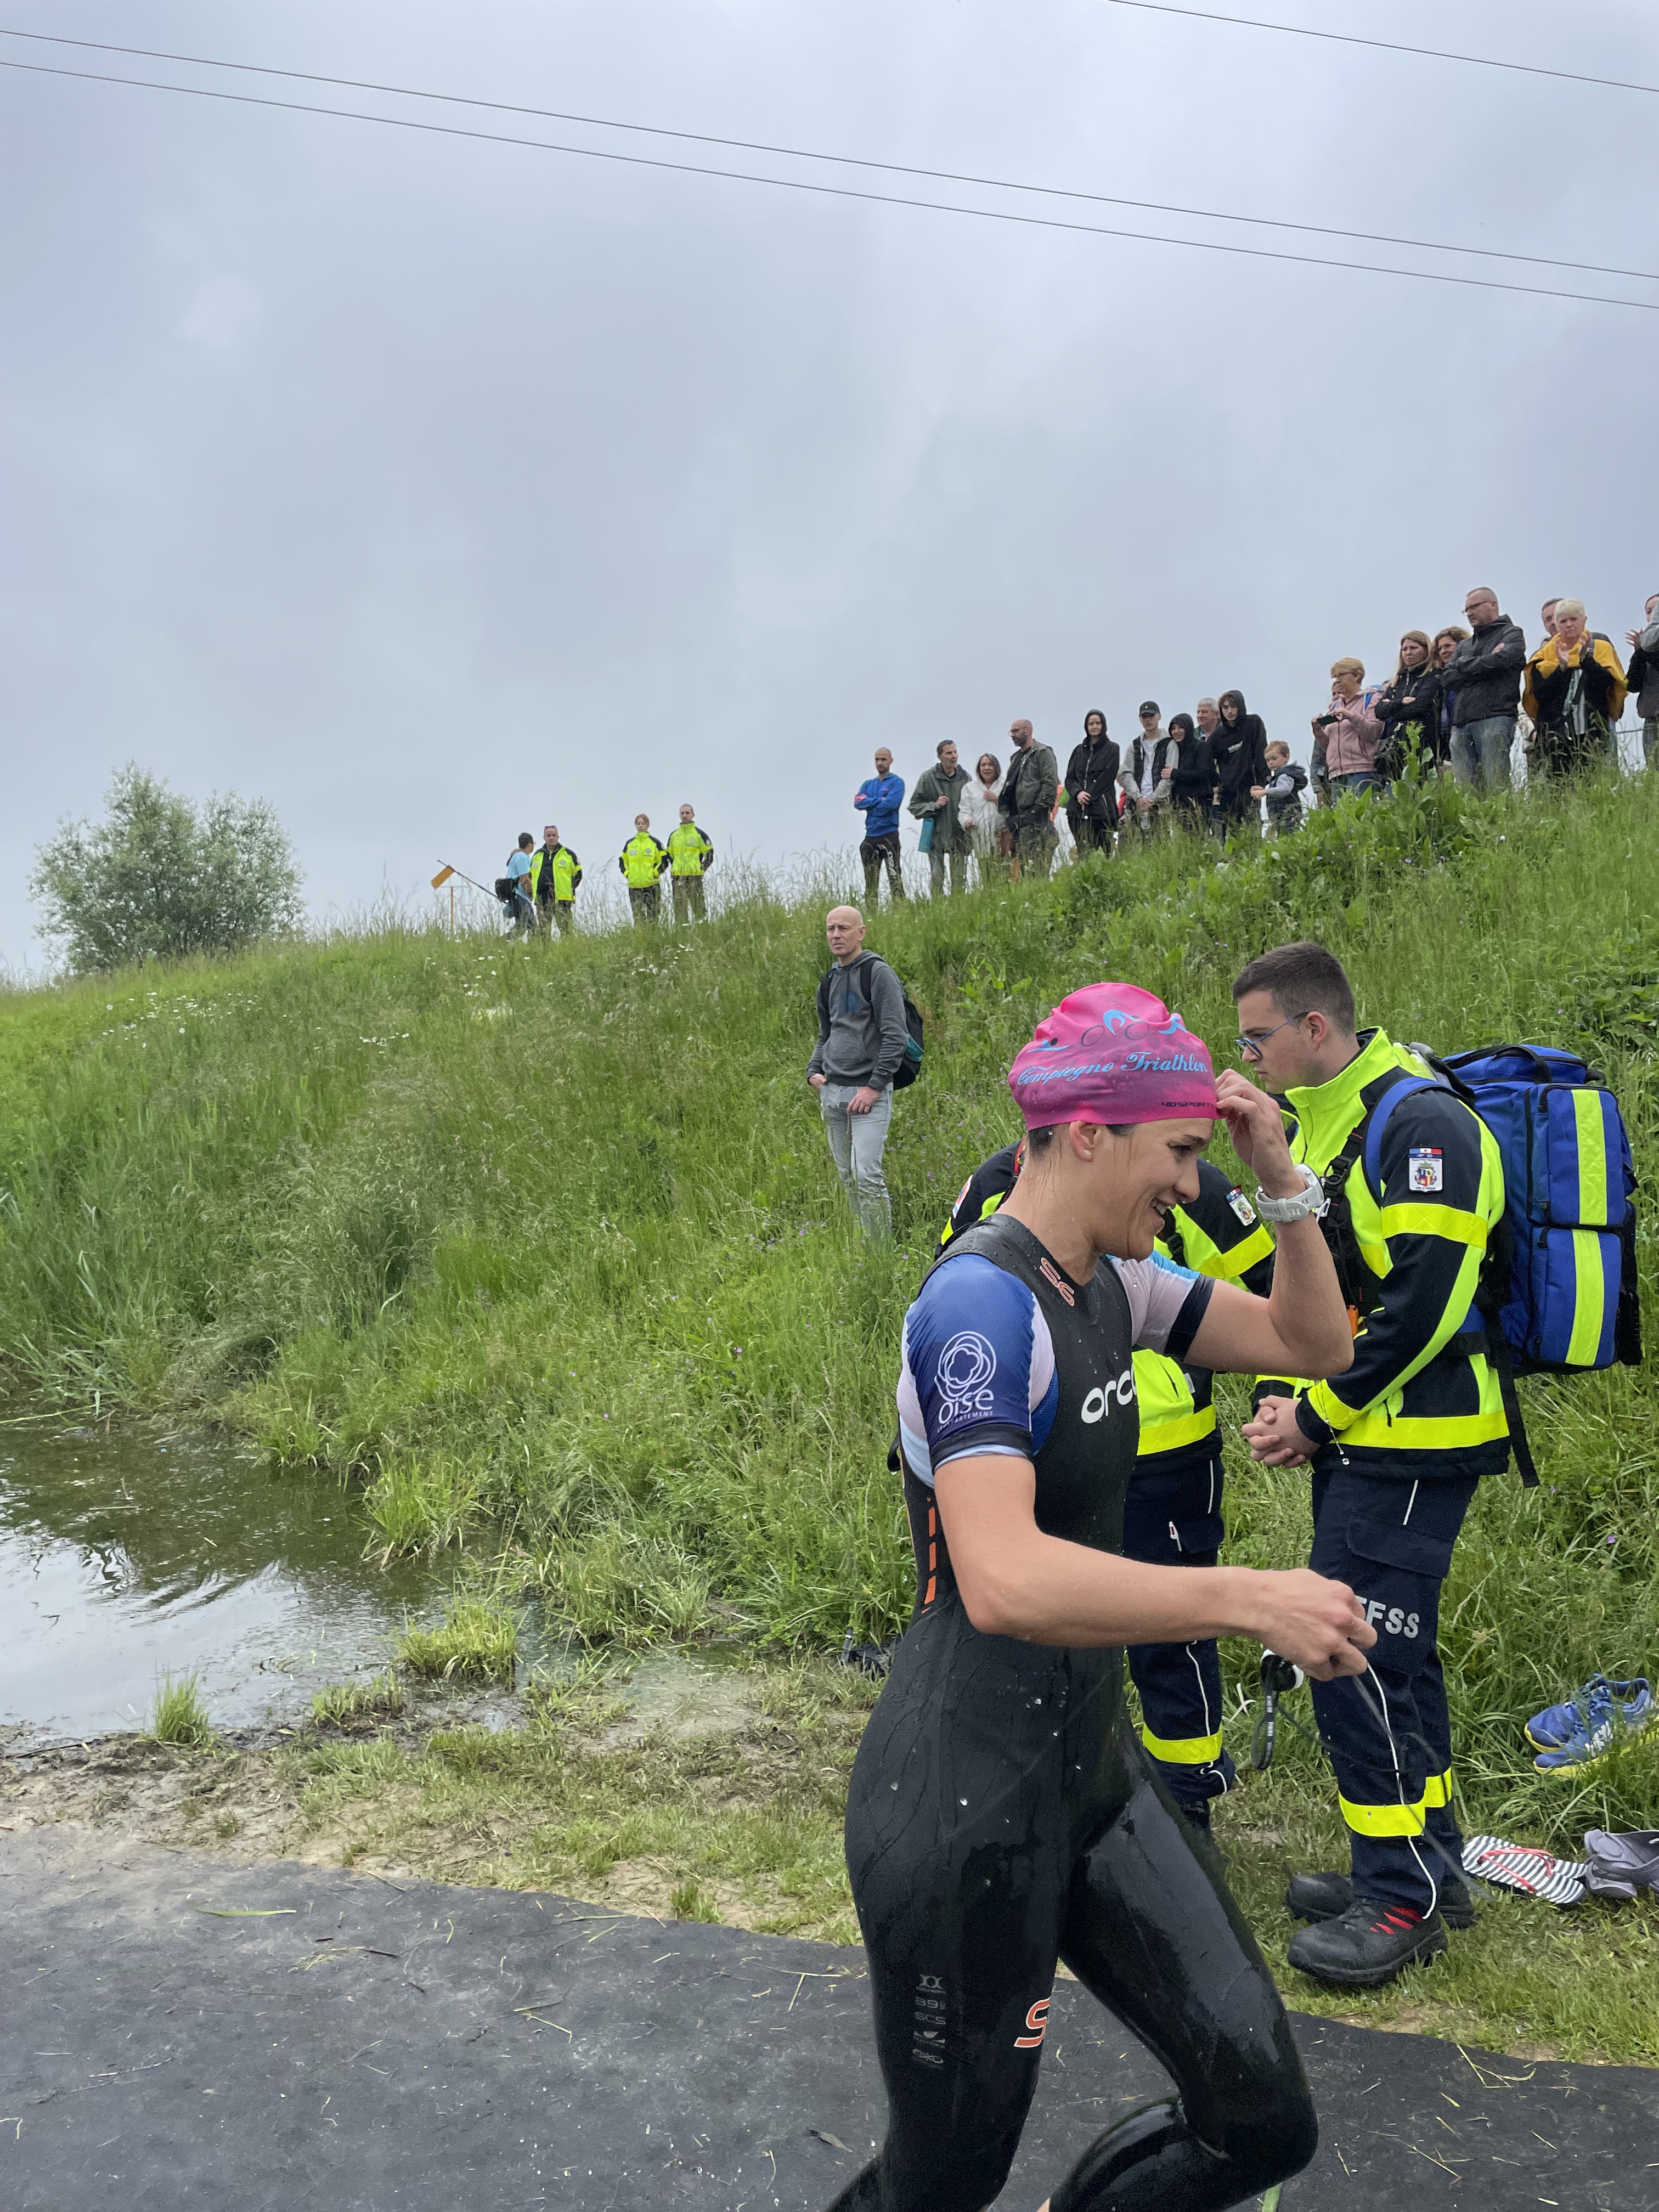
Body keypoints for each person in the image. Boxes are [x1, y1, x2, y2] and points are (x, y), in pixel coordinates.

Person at [832, 982, 1368, 2212]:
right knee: (943, 2180)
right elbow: (1003, 1579)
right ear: (1086, 1134)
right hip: (961, 1804)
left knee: (1259, 2118)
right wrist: (1244, 1597)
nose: (1187, 1182)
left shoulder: (1115, 1285)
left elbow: (1315, 1343)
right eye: (1175, 1152)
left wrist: (1278, 1177)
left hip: (1091, 1776)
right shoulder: (978, 1305)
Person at [1234, 941, 1510, 1986]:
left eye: (1256, 1037)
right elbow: (1324, 1290)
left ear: (1313, 1027)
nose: (1248, 1057)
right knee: (1393, 1656)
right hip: (1368, 1440)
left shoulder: (1419, 1120)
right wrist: (1293, 1393)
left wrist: (1315, 1412)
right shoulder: (1323, 1119)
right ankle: (1425, 1866)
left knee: (1345, 1655)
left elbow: (1426, 1305)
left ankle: (1398, 1900)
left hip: (1414, 1443)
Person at [934, 1133, 1277, 1830]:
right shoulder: (995, 1187)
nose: (1185, 1178)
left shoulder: (1191, 1193)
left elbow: (1272, 1289)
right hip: (1048, 1451)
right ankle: (1066, 1797)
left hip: (1169, 1450)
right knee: (1056, 1629)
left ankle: (1186, 1805)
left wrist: (1276, 1393)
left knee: (1173, 1636)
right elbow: (952, 1278)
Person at [806, 906, 908, 1240]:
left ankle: (880, 1251)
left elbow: (896, 1036)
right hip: (832, 1091)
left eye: (844, 928)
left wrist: (875, 1087)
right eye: (830, 929)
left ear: (861, 933)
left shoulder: (878, 974)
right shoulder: (829, 980)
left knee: (867, 1175)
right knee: (847, 1176)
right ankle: (863, 1244)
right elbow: (826, 1034)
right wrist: (814, 1070)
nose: (836, 935)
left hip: (867, 1094)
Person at [1523, 598, 1628, 779]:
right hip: (1555, 736)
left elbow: (1609, 685)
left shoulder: (1600, 647)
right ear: (1557, 625)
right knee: (1559, 785)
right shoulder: (1545, 654)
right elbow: (1540, 695)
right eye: (1563, 621)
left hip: (1593, 732)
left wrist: (1587, 660)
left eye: (1574, 619)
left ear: (1584, 620)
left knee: (1594, 783)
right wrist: (1562, 667)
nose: (1569, 625)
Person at [1446, 587, 1525, 790]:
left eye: (1474, 607)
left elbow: (1504, 660)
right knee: (1465, 789)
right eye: (1467, 610)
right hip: (1462, 723)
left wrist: (1464, 665)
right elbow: (1448, 678)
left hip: (1496, 717)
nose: (1470, 613)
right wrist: (1488, 660)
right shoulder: (1464, 645)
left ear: (1493, 605)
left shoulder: (1512, 634)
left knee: (1496, 785)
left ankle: (1501, 813)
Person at [1373, 631, 1444, 779]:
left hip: (1423, 743)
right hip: (1396, 746)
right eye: (1405, 649)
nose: (1408, 653)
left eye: (1414, 648)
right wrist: (1401, 702)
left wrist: (1392, 709)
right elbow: (1379, 711)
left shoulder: (1432, 677)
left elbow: (1420, 707)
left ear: (1426, 650)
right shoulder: (1397, 681)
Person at [907, 741, 973, 898]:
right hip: (935, 835)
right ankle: (937, 906)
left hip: (959, 835)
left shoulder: (965, 778)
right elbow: (914, 806)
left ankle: (958, 906)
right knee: (937, 877)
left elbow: (973, 805)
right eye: (949, 753)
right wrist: (933, 805)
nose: (954, 756)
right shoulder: (928, 778)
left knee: (959, 879)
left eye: (955, 752)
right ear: (939, 757)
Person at [1312, 660, 1384, 799]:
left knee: (1364, 811)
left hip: (1363, 770)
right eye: (1334, 677)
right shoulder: (1334, 706)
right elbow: (1328, 746)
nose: (1337, 681)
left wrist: (1351, 716)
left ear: (1357, 676)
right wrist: (1318, 731)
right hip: (1336, 774)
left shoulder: (1371, 699)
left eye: (1341, 675)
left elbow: (1374, 733)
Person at [998, 718, 1059, 879]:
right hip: (1019, 820)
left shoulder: (1043, 753)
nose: (1012, 735)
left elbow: (1050, 782)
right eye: (1011, 732)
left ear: (1028, 730)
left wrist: (1037, 810)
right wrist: (1010, 815)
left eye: (1016, 731)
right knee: (1024, 869)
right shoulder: (1016, 758)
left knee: (1037, 870)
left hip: (1036, 819)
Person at [854, 749, 907, 906]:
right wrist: (879, 801)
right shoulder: (868, 784)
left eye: (883, 759)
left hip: (889, 834)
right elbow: (858, 802)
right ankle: (871, 912)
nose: (880, 763)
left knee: (894, 876)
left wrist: (870, 804)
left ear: (891, 761)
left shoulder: (897, 782)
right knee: (870, 881)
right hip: (871, 835)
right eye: (877, 759)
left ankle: (900, 910)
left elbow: (891, 804)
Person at [1064, 710, 1120, 857]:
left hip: (1102, 811)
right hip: (1077, 812)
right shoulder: (1078, 751)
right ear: (1086, 727)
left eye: (1098, 723)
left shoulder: (1113, 749)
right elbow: (1070, 779)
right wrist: (1078, 793)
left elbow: (1107, 778)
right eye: (1091, 724)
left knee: (1105, 854)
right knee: (1084, 854)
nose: (1095, 727)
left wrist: (1088, 797)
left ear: (1103, 725)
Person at [1211, 690, 1269, 830]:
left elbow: (1261, 753)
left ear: (1241, 706)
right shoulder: (1217, 736)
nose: (1230, 711)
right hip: (1228, 792)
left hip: (1251, 788)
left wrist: (1262, 782)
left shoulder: (1254, 724)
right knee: (1231, 833)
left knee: (1252, 831)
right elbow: (1208, 764)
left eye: (1233, 706)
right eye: (1225, 707)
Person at [1116, 702, 1176, 834]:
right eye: (1145, 717)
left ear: (1159, 716)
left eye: (1151, 716)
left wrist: (1152, 799)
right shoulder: (1135, 745)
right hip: (1136, 805)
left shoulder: (1169, 743)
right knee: (1134, 842)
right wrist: (1138, 798)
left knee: (1161, 842)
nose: (1148, 720)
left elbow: (1169, 776)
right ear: (1140, 719)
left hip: (1162, 806)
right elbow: (1126, 774)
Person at [959, 750, 1006, 880]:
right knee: (986, 876)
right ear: (978, 769)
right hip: (981, 838)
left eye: (990, 765)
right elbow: (964, 810)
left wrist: (997, 800)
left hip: (1002, 838)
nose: (987, 768)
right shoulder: (970, 788)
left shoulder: (1005, 785)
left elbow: (1013, 807)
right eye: (983, 765)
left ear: (996, 767)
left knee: (1005, 875)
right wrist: (967, 821)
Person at [665, 802, 715, 924]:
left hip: (694, 877)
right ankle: (683, 932)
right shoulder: (674, 836)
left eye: (687, 813)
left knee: (699, 908)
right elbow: (670, 855)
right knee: (680, 911)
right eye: (682, 813)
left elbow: (709, 855)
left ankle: (703, 930)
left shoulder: (700, 835)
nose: (685, 816)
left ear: (693, 815)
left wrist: (701, 869)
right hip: (678, 877)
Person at [529, 823, 582, 935]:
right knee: (544, 933)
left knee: (566, 932)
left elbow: (578, 875)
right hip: (542, 900)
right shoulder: (537, 856)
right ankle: (545, 948)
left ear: (558, 837)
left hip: (563, 900)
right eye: (548, 836)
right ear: (544, 838)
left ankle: (567, 948)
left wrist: (569, 889)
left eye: (554, 835)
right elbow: (531, 876)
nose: (551, 838)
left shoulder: (568, 855)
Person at [1165, 711, 1214, 830]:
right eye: (1173, 728)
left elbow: (1204, 774)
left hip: (1199, 804)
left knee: (1198, 837)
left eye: (1181, 727)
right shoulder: (1173, 750)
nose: (1177, 731)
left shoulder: (1201, 747)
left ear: (1188, 728)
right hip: (1178, 805)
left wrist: (1175, 773)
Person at [1627, 592, 1659, 766]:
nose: (1653, 614)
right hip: (1651, 719)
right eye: (1649, 611)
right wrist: (1639, 652)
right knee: (1654, 773)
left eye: (1656, 609)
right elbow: (1632, 685)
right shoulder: (1644, 649)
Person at [618, 812, 668, 924]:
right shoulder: (630, 844)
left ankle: (654, 934)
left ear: (648, 825)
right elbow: (622, 861)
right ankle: (640, 935)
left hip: (652, 885)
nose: (641, 826)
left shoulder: (655, 843)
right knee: (638, 918)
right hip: (635, 886)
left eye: (643, 823)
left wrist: (655, 873)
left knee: (653, 917)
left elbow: (664, 861)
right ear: (635, 825)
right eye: (638, 824)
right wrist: (628, 874)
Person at [1262, 741, 1308, 835]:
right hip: (1281, 818)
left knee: (1290, 836)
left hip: (1288, 816)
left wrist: (1266, 791)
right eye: (1268, 760)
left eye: (1274, 759)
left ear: (1286, 757)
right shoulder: (1277, 777)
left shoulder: (1284, 775)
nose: (1271, 763)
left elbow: (1285, 790)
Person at [504, 832, 536, 935]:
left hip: (516, 896)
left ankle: (500, 943)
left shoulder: (516, 856)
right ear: (530, 844)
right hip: (521, 897)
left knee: (522, 928)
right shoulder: (522, 857)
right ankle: (498, 943)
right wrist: (533, 894)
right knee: (532, 928)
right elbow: (525, 879)